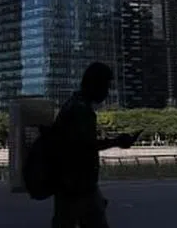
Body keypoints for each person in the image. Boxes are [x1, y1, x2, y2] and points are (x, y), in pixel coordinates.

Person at [50, 62, 138, 228]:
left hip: (70, 182)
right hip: (78, 185)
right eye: (105, 86)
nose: (106, 92)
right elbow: (84, 146)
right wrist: (117, 141)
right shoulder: (81, 109)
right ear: (93, 84)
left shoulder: (72, 104)